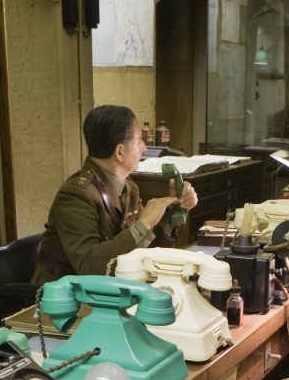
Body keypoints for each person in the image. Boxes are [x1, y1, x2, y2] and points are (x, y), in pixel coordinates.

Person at [32, 104, 198, 285]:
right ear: (120, 152)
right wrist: (145, 223)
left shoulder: (129, 188)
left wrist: (172, 212)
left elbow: (145, 252)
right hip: (63, 300)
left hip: (107, 291)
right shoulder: (76, 195)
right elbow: (89, 267)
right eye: (139, 140)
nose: (144, 147)